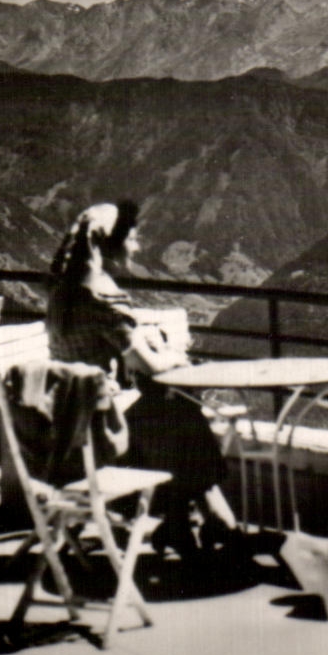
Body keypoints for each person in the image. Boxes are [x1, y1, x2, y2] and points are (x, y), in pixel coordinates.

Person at [45, 201, 246, 569]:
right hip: (102, 432)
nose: (137, 247)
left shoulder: (63, 290)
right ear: (108, 244)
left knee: (171, 412)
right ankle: (213, 521)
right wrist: (177, 357)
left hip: (70, 421)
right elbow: (148, 364)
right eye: (133, 238)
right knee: (179, 412)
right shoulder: (101, 298)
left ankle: (187, 523)